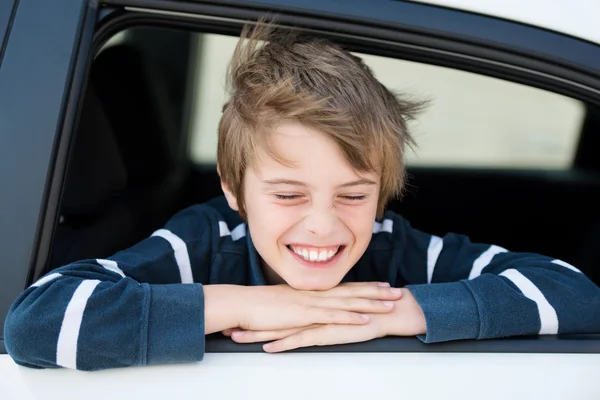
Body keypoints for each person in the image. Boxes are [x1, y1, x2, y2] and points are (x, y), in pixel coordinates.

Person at [4, 22, 600, 372]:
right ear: (233, 189)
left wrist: (393, 312)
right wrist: (243, 304)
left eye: (353, 194)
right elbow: (34, 325)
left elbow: (578, 295)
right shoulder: (206, 241)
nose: (323, 226)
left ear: (382, 194)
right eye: (288, 194)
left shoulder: (395, 251)